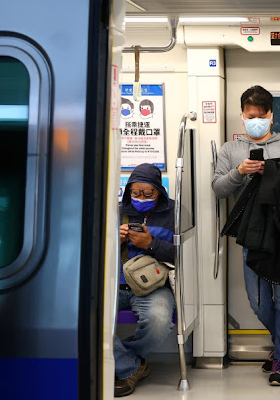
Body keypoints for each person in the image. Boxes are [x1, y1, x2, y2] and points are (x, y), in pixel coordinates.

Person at [212, 85, 280, 386]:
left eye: (260, 115)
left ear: (271, 115)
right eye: (249, 115)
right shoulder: (230, 150)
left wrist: (272, 173)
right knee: (258, 301)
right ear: (242, 115)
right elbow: (218, 188)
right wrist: (239, 172)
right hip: (251, 234)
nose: (254, 120)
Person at [114, 163, 176, 397]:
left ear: (159, 190)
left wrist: (150, 244)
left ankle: (123, 360)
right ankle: (131, 365)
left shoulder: (174, 213)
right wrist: (114, 240)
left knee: (159, 321)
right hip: (116, 284)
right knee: (80, 316)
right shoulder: (117, 211)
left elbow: (185, 255)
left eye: (147, 193)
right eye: (135, 193)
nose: (141, 198)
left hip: (154, 286)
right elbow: (93, 252)